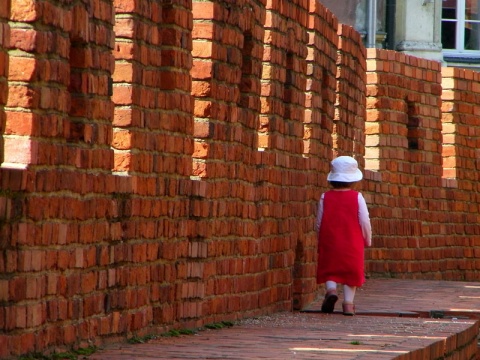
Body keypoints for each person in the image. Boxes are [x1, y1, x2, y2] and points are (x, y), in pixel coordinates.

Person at [315, 156, 372, 316]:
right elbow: (364, 220)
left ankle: (331, 289)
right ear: (353, 180)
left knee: (330, 268)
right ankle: (348, 304)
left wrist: (321, 237)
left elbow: (319, 220)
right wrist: (367, 238)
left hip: (330, 239)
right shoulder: (357, 197)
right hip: (352, 240)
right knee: (351, 272)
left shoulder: (325, 197)